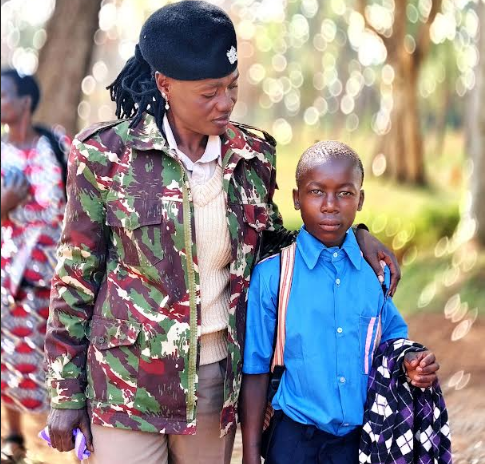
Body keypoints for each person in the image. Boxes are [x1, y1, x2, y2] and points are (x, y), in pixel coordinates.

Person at [43, 3, 401, 464]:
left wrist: (354, 236)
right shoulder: (104, 155)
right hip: (126, 381)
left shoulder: (253, 155)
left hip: (215, 381)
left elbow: (272, 247)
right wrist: (65, 392)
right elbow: (76, 277)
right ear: (164, 84)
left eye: (232, 86)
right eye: (209, 93)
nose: (226, 103)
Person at [240, 140, 442, 464]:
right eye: (316, 192)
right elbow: (255, 370)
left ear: (360, 199)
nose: (330, 205)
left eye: (345, 193)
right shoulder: (274, 275)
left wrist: (411, 362)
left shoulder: (374, 274)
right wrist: (250, 457)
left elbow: (391, 341)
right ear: (296, 198)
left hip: (358, 442)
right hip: (294, 439)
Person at [1, 69, 67, 461]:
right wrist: (5, 204)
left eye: (4, 94)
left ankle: (68, 436)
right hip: (11, 278)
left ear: (25, 101)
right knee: (10, 353)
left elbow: (78, 196)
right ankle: (14, 437)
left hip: (59, 273)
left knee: (59, 353)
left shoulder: (55, 145)